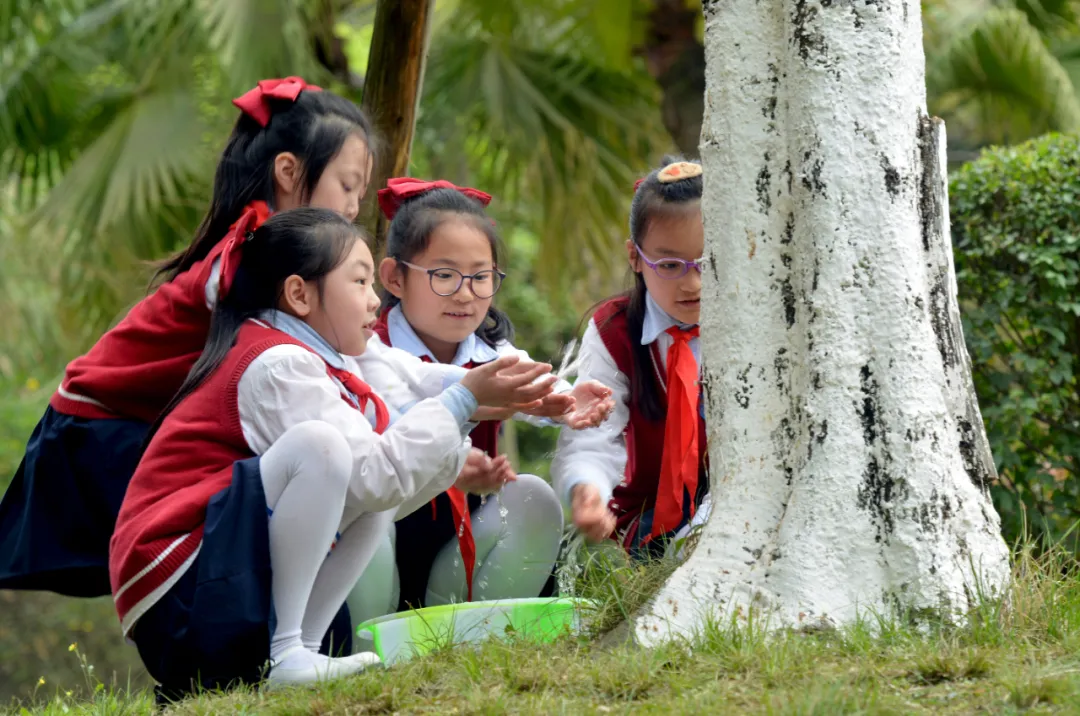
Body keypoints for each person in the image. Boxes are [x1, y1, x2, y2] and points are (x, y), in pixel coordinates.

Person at [111, 208, 558, 694]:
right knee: (324, 449)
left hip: (215, 564)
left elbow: (411, 392)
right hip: (177, 581)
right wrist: (464, 399)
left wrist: (504, 398)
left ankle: (300, 648)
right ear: (300, 294)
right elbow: (379, 469)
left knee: (361, 477)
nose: (375, 301)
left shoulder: (324, 351)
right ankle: (287, 650)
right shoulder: (279, 364)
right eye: (362, 282)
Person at [0, 78, 376, 610]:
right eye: (347, 185)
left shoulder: (270, 256)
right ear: (289, 172)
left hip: (138, 418)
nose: (356, 206)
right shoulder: (249, 252)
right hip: (102, 426)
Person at [346, 178, 614, 623]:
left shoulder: (492, 352)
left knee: (534, 498)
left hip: (458, 551)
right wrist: (449, 455)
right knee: (358, 511)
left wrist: (569, 402)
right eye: (445, 275)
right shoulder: (368, 348)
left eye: (481, 277)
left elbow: (535, 387)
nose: (466, 294)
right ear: (395, 276)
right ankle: (364, 645)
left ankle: (476, 629)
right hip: (379, 549)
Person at [551, 158, 709, 560]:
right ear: (635, 258)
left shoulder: (758, 325)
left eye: (707, 262)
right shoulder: (614, 332)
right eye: (670, 265)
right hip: (639, 517)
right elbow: (593, 430)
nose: (693, 284)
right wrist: (589, 490)